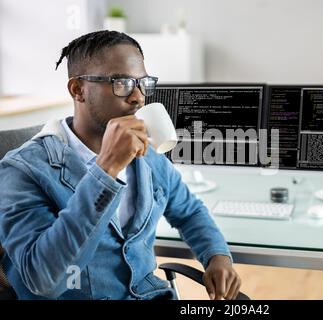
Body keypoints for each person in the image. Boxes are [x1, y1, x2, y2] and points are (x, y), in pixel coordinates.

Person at [0, 30, 241, 300]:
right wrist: (105, 171)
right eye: (122, 83)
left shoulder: (147, 155)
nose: (138, 97)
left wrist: (217, 256)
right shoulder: (22, 171)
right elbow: (43, 278)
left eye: (143, 83)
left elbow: (189, 211)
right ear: (78, 90)